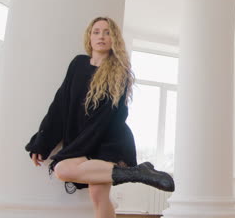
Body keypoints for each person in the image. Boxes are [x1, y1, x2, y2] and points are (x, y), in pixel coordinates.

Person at [25, 16, 174, 218]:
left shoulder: (119, 72)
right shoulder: (78, 64)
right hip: (87, 139)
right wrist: (42, 143)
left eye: (107, 32)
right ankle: (137, 173)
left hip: (110, 139)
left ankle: (136, 173)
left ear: (114, 39)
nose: (101, 36)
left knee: (63, 170)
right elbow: (60, 105)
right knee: (98, 196)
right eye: (96, 32)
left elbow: (105, 117)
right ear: (90, 37)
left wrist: (81, 146)